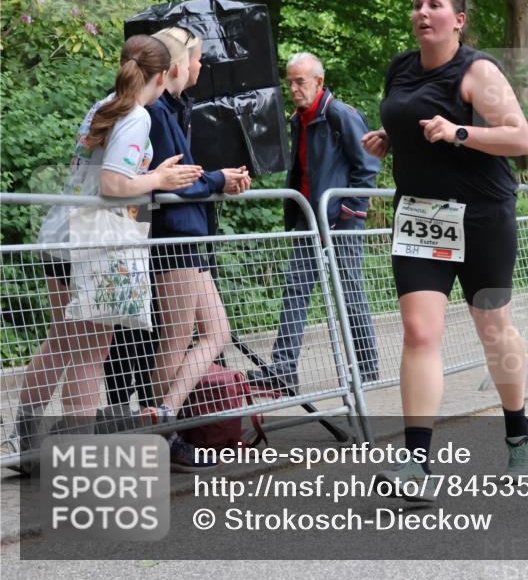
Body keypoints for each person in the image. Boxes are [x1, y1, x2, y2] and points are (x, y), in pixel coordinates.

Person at [361, 0, 528, 498]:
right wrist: (390, 138)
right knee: (419, 331)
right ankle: (417, 464)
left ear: (458, 20)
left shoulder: (478, 70)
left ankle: (519, 431)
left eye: (434, 4)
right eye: (417, 4)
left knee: (494, 330)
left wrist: (459, 131)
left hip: (483, 217)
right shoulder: (400, 67)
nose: (422, 11)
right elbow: (409, 119)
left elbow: (520, 138)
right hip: (422, 216)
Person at [1, 35, 202, 470]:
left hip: (61, 235)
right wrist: (159, 180)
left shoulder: (105, 105)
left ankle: (26, 443)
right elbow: (113, 185)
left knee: (61, 344)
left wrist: (151, 173)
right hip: (93, 245)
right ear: (163, 76)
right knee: (90, 354)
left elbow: (104, 175)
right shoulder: (137, 116)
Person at [140, 27, 252, 471]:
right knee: (176, 337)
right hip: (175, 235)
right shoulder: (156, 112)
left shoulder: (174, 108)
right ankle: (161, 433)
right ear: (178, 66)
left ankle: (165, 414)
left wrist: (220, 181)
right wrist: (217, 180)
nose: (201, 66)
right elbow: (170, 181)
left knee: (216, 330)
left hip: (190, 232)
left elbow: (185, 177)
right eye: (197, 59)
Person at [246, 52, 381, 396]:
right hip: (309, 219)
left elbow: (367, 168)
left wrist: (347, 212)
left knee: (349, 292)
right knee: (296, 290)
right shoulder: (300, 119)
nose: (293, 88)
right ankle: (283, 370)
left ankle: (367, 369)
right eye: (290, 82)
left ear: (319, 82)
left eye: (300, 82)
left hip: (340, 222)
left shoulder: (340, 115)